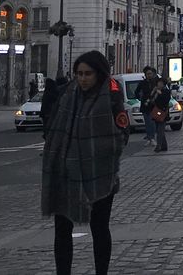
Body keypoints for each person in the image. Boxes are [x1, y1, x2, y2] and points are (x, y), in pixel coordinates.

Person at [42, 51, 125, 275]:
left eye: (88, 74)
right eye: (79, 73)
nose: (83, 78)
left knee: (99, 228)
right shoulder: (66, 94)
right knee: (62, 229)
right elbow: (52, 124)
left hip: (100, 173)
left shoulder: (111, 96)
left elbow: (122, 132)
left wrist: (101, 150)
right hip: (66, 171)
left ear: (99, 74)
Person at [135, 67, 158, 144]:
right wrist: (140, 98)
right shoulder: (142, 83)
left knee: (153, 122)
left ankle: (152, 137)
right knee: (147, 122)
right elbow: (136, 92)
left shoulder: (155, 82)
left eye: (150, 73)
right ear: (145, 75)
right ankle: (149, 138)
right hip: (145, 105)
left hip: (154, 105)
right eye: (148, 74)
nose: (149, 75)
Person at [150, 75, 171, 152]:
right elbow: (151, 100)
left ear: (164, 84)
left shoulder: (166, 91)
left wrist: (160, 93)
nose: (159, 84)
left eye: (161, 83)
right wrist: (153, 92)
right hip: (156, 112)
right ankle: (164, 146)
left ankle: (158, 146)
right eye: (158, 83)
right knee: (159, 130)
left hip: (163, 113)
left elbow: (166, 101)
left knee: (160, 130)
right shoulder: (156, 91)